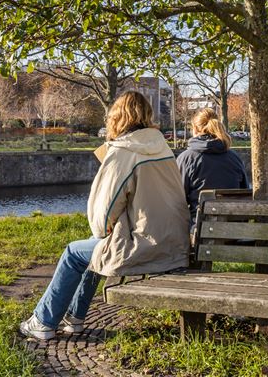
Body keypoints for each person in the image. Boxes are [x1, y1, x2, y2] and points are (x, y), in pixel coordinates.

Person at [20, 91, 190, 339]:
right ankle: (74, 318)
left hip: (145, 246)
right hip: (174, 243)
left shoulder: (123, 152)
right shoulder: (162, 148)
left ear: (117, 117)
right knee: (96, 249)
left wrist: (105, 231)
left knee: (73, 253)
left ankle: (43, 321)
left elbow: (102, 216)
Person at [176, 108, 249, 228]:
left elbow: (178, 200)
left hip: (200, 229)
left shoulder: (186, 159)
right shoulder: (234, 158)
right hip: (233, 230)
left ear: (195, 129)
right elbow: (244, 194)